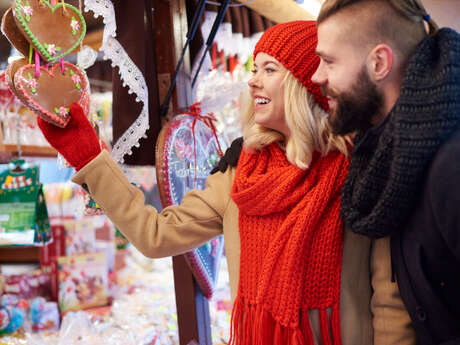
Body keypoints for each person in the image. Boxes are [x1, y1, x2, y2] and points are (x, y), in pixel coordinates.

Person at [37, 21, 373, 345]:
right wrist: (90, 158)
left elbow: (389, 299)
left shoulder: (358, 169)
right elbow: (156, 235)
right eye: (254, 69)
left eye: (269, 70)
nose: (253, 81)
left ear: (307, 82)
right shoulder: (242, 171)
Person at [312, 1, 460, 344]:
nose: (316, 75)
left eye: (329, 61)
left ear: (379, 63)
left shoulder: (449, 163)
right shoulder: (386, 152)